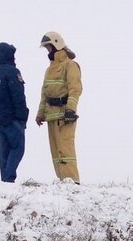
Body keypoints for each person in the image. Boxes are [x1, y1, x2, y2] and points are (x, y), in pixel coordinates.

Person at [35, 32, 82, 183]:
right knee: (55, 152)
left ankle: (73, 181)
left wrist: (70, 109)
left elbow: (75, 89)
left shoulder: (70, 65)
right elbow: (44, 93)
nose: (48, 51)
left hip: (64, 115)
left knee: (65, 150)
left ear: (57, 44)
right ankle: (63, 181)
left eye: (49, 47)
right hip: (51, 116)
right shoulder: (49, 70)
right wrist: (40, 113)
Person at [0, 42, 29, 183]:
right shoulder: (12, 72)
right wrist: (23, 116)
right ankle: (9, 177)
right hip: (13, 119)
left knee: (4, 148)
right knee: (18, 147)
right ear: (9, 55)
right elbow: (18, 96)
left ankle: (5, 179)